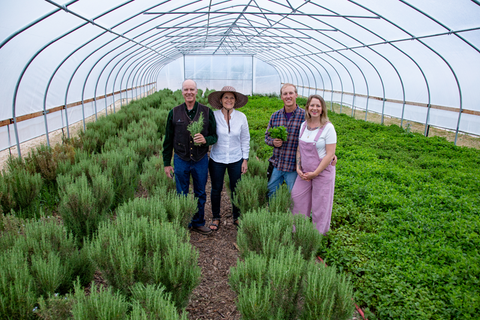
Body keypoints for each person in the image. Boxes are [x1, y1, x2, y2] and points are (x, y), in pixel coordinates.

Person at [163, 79, 218, 235]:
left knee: (200, 192)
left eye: (191, 89)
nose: (189, 92)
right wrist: (167, 163)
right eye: (186, 89)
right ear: (182, 92)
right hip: (181, 159)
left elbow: (215, 136)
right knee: (182, 192)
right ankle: (185, 222)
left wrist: (206, 140)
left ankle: (198, 222)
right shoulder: (173, 113)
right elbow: (167, 140)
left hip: (200, 159)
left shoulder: (207, 112)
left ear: (197, 91)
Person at [291, 94, 337, 235]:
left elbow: (330, 154)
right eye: (312, 105)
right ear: (307, 108)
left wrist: (315, 173)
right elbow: (299, 148)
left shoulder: (328, 128)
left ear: (322, 109)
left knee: (320, 207)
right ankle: (297, 233)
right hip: (304, 173)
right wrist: (298, 168)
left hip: (322, 174)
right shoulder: (303, 126)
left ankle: (317, 238)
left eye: (318, 105)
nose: (315, 108)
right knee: (296, 199)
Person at [207, 86, 250, 231]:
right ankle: (216, 217)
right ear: (220, 100)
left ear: (235, 101)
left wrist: (245, 159)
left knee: (236, 188)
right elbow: (209, 135)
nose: (229, 100)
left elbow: (245, 139)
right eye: (226, 97)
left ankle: (237, 217)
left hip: (236, 158)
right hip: (217, 158)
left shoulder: (241, 117)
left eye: (232, 98)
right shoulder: (213, 115)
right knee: (216, 189)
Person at [265, 83, 305, 197]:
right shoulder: (275, 116)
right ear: (281, 97)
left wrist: (330, 152)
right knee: (271, 193)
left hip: (293, 167)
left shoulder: (304, 116)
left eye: (291, 93)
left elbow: (318, 133)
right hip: (277, 164)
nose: (288, 96)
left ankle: (292, 215)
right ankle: (272, 214)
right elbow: (266, 136)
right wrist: (273, 142)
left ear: (296, 95)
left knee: (294, 197)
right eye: (285, 94)